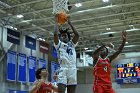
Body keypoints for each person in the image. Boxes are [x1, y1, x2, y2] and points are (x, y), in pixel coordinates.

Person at [53, 14, 79, 93]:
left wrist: (70, 22)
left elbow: (77, 35)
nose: (63, 36)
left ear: (68, 37)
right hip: (63, 68)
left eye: (65, 35)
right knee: (61, 91)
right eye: (62, 36)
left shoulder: (72, 44)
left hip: (72, 69)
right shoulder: (58, 44)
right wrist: (56, 21)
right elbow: (55, 34)